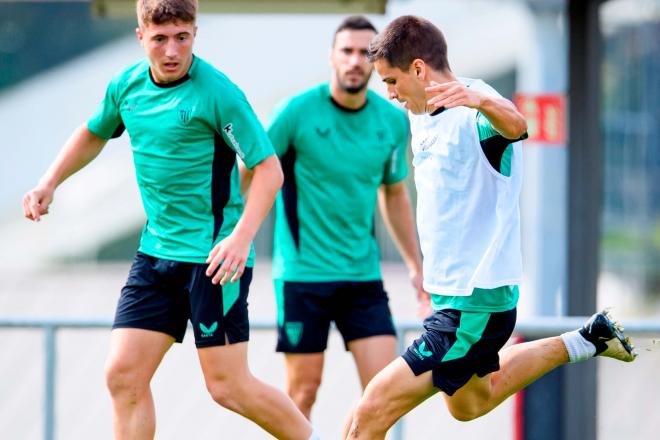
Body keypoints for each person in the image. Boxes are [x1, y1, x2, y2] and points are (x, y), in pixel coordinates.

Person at [22, 1, 317, 439]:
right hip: (155, 254)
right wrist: (50, 182)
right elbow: (93, 131)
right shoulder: (126, 86)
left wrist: (241, 238)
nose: (172, 50)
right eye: (160, 39)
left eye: (182, 37)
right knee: (122, 375)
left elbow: (270, 170)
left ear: (195, 33)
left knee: (228, 387)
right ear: (141, 37)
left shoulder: (218, 93)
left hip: (216, 258)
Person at [346, 15, 638, 439]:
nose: (389, 95)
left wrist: (478, 101)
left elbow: (517, 126)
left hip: (473, 302)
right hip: (453, 296)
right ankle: (587, 339)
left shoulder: (475, 107)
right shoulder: (422, 112)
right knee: (470, 403)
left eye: (391, 82)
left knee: (370, 412)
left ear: (418, 69)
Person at [243, 15, 425, 425]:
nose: (356, 60)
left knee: (385, 392)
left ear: (378, 60)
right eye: (347, 51)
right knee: (302, 392)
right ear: (332, 57)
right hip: (301, 277)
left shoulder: (393, 121)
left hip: (362, 278)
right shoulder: (294, 112)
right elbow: (249, 171)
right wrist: (230, 235)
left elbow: (393, 194)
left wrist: (416, 266)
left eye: (366, 52)